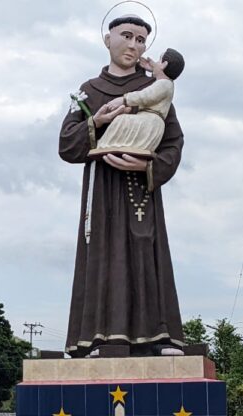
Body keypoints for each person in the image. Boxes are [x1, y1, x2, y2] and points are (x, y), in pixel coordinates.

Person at [60, 15, 185, 357]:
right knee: (103, 254)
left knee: (145, 252)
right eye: (126, 36)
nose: (134, 44)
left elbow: (173, 141)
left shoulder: (153, 89)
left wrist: (149, 164)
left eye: (141, 39)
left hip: (141, 189)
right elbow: (67, 144)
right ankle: (99, 339)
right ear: (107, 39)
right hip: (102, 189)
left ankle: (157, 338)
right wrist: (95, 122)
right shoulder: (89, 90)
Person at [89, 49, 185, 159]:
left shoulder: (164, 84)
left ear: (164, 64)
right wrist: (153, 69)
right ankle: (108, 145)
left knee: (122, 120)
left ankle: (108, 145)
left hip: (149, 122)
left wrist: (124, 99)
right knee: (122, 118)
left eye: (159, 60)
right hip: (149, 120)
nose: (156, 63)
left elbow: (145, 96)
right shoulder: (165, 83)